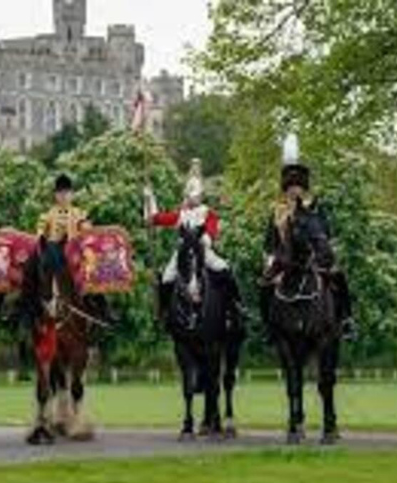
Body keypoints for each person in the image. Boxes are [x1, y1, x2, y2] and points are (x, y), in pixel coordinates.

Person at [260, 134, 354, 339]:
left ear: (303, 188)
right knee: (264, 284)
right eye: (291, 186)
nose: (295, 190)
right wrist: (269, 260)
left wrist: (324, 251)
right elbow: (270, 240)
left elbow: (325, 231)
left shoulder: (314, 208)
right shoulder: (277, 210)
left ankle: (346, 319)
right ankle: (268, 325)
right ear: (286, 188)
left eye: (298, 186)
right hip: (283, 258)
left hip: (313, 256)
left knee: (339, 277)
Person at [143, 158, 239, 318]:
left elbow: (212, 228)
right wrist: (149, 197)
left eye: (197, 196)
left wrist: (206, 238)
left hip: (203, 250)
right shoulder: (180, 213)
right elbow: (155, 219)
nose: (194, 199)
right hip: (182, 250)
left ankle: (234, 307)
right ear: (187, 196)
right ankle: (164, 312)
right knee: (167, 277)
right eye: (192, 196)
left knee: (224, 269)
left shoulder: (207, 212)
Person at [35, 174, 112, 322]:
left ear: (72, 195)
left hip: (74, 248)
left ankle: (102, 307)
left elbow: (84, 225)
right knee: (46, 256)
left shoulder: (78, 213)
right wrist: (40, 234)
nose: (63, 197)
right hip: (54, 248)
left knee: (91, 266)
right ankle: (45, 298)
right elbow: (41, 228)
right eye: (60, 193)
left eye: (67, 193)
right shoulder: (48, 214)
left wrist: (86, 227)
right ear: (55, 196)